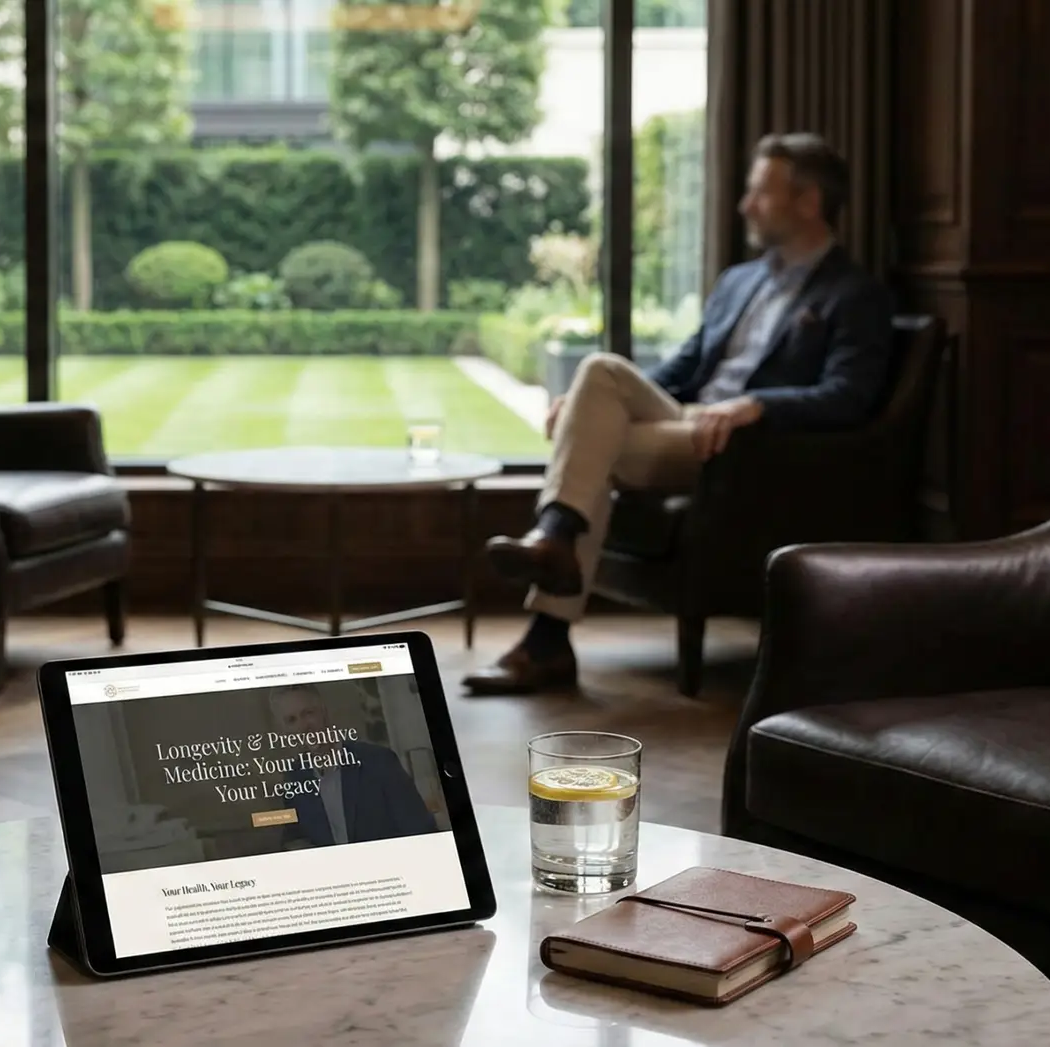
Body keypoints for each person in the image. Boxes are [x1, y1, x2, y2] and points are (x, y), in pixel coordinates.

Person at [464, 132, 897, 695]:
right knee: (599, 376)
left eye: (760, 193)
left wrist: (757, 405)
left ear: (809, 201)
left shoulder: (855, 294)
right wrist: (585, 408)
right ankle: (554, 552)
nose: (745, 206)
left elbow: (849, 396)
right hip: (687, 422)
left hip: (741, 448)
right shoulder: (740, 282)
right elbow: (682, 367)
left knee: (591, 438)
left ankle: (547, 623)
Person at [265, 684, 439, 847]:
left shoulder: (378, 760)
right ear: (285, 730)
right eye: (291, 720)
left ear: (324, 712)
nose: (303, 726)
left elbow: (422, 830)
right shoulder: (294, 777)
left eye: (308, 713)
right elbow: (294, 834)